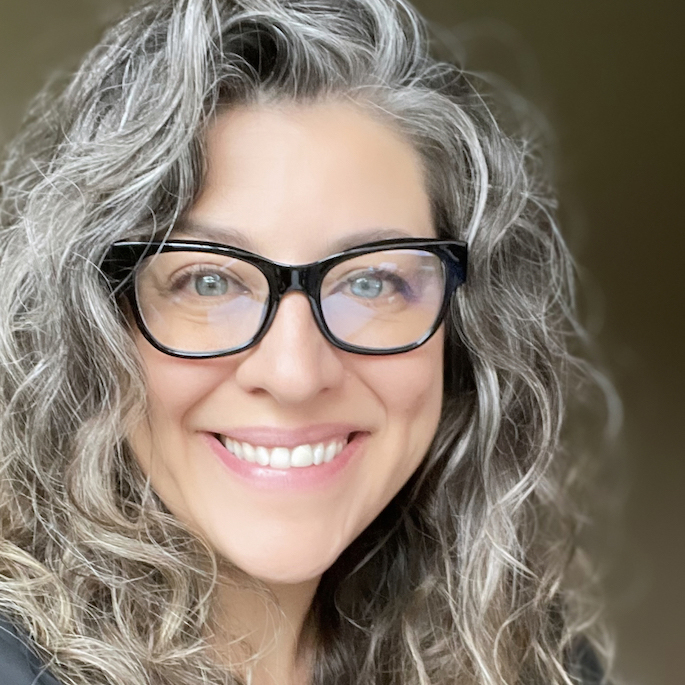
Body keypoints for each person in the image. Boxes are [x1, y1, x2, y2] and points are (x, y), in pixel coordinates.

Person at [0, 0, 613, 683]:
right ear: (91, 322)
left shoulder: (534, 660)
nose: (294, 373)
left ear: (465, 332)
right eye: (208, 281)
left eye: (373, 282)